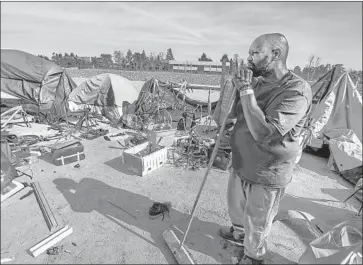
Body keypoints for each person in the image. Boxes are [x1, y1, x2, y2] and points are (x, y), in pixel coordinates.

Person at [218, 33, 312, 264]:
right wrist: (231, 86)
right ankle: (239, 235)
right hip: (241, 162)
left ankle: (253, 256)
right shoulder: (254, 83)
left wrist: (246, 91)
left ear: (275, 55)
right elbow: (222, 117)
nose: (249, 59)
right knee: (237, 209)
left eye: (255, 53)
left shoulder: (296, 90)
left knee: (257, 222)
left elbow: (263, 132)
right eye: (249, 53)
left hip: (267, 170)